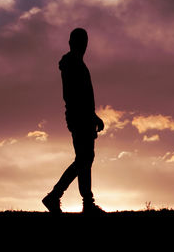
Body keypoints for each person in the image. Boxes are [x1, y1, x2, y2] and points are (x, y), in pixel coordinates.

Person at [42, 28, 105, 215]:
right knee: (84, 159)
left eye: (85, 41)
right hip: (79, 117)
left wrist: (93, 116)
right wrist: (90, 116)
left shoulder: (75, 63)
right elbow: (75, 95)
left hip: (81, 116)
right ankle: (56, 195)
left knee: (85, 158)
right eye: (80, 41)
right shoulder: (73, 64)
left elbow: (81, 95)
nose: (84, 45)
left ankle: (86, 202)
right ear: (72, 43)